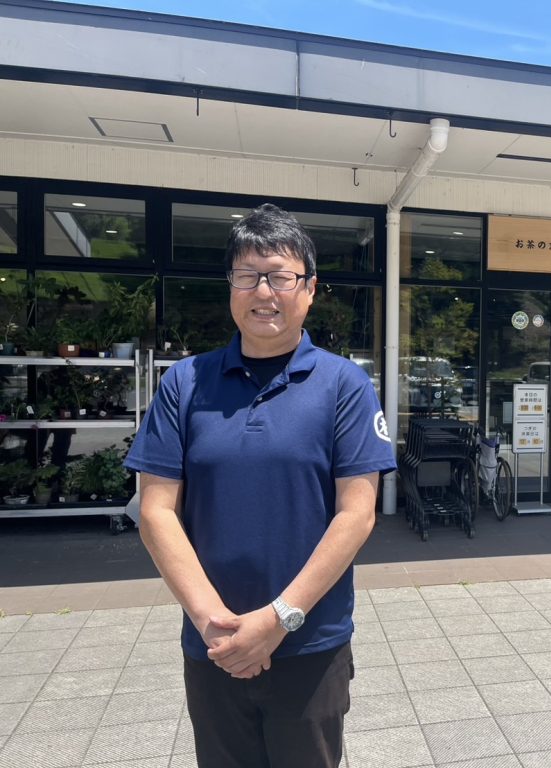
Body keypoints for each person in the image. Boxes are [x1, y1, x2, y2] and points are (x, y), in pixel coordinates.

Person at [124, 203, 396, 768]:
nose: (263, 291)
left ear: (311, 289)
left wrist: (278, 620)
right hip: (214, 648)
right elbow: (155, 512)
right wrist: (215, 627)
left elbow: (357, 514)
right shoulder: (185, 383)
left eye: (280, 276)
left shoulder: (345, 385)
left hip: (309, 644)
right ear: (231, 286)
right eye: (248, 275)